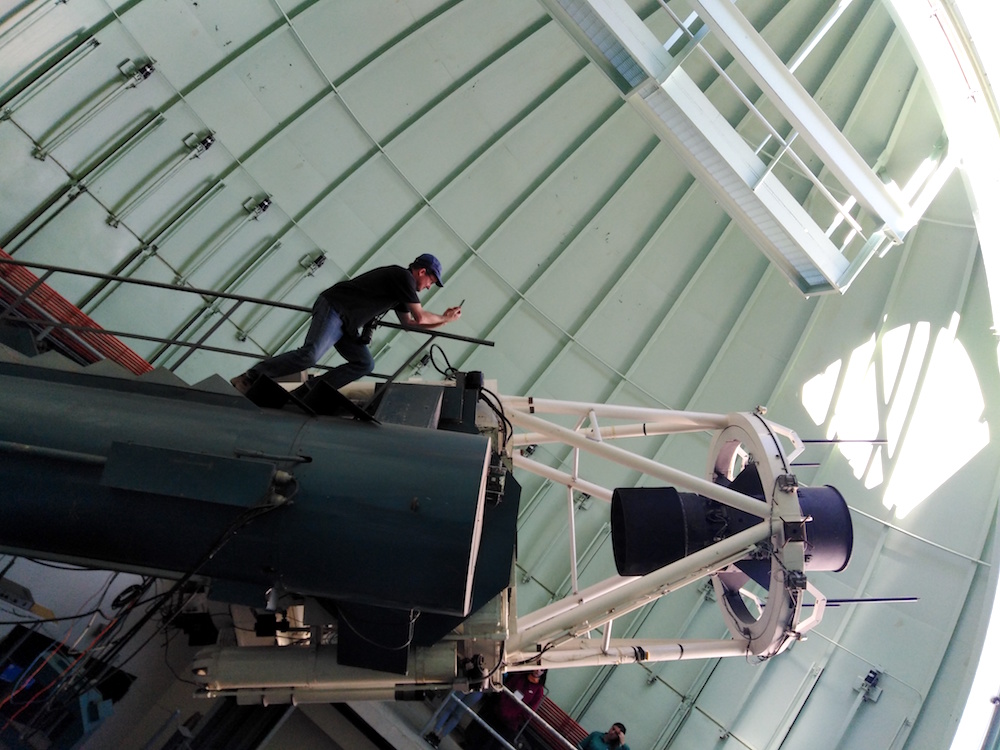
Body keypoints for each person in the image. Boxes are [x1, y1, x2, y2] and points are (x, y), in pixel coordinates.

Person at [230, 253, 461, 394]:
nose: (429, 286)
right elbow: (420, 317)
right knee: (309, 356)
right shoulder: (403, 278)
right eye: (431, 281)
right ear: (422, 272)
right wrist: (445, 318)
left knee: (364, 364)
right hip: (334, 308)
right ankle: (250, 377)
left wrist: (442, 323)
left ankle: (306, 392)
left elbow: (410, 323)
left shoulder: (402, 292)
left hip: (347, 324)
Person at [466, 669, 547, 749]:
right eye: (538, 668)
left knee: (494, 745)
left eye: (541, 670)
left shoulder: (539, 690)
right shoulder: (520, 676)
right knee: (482, 737)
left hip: (510, 723)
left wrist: (516, 718)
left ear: (543, 673)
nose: (538, 671)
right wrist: (501, 705)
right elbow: (506, 688)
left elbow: (530, 711)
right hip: (498, 712)